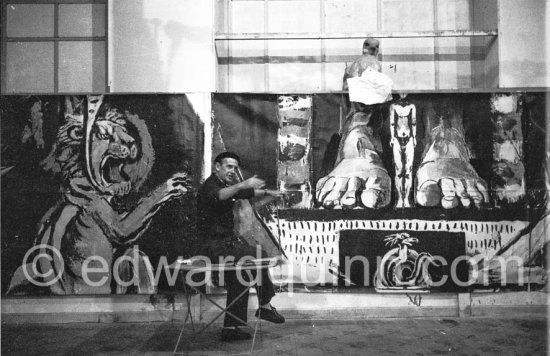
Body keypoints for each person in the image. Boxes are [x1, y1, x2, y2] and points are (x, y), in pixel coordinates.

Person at [197, 151, 286, 342]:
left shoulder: (225, 186)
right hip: (214, 247)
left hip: (225, 246)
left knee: (241, 279)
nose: (232, 171)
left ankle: (231, 328)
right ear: (217, 167)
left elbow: (245, 193)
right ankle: (265, 306)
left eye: (235, 168)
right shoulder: (210, 186)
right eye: (229, 166)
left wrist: (269, 193)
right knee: (258, 254)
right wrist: (242, 183)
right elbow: (220, 196)